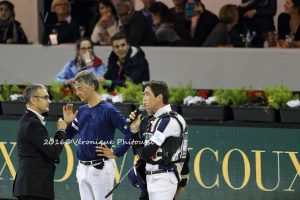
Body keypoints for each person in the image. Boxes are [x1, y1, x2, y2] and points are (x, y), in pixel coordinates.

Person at [62, 70, 132, 200]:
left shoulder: (109, 110)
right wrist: (67, 123)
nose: (77, 92)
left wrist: (116, 152)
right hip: (82, 168)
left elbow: (130, 133)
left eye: (80, 88)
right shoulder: (82, 111)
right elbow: (67, 137)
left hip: (101, 169)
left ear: (93, 86)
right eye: (76, 89)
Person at [129, 80, 188, 200]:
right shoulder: (151, 120)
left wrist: (183, 180)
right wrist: (134, 131)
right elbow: (138, 152)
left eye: (147, 94)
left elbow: (146, 153)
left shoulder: (169, 121)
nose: (144, 98)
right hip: (151, 177)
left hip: (163, 179)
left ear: (159, 97)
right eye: (143, 95)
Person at [13, 84, 67, 200]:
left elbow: (43, 151)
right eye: (46, 97)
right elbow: (53, 153)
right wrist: (61, 130)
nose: (49, 101)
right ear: (33, 100)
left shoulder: (28, 119)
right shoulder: (33, 123)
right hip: (34, 187)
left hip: (31, 187)